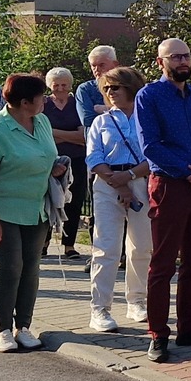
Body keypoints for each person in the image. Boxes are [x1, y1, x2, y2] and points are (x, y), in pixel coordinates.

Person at [135, 37, 191, 364]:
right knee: (162, 264)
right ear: (160, 62)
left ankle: (189, 326)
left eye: (187, 55)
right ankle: (158, 334)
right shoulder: (149, 96)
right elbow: (150, 146)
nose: (183, 61)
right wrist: (189, 172)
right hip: (170, 186)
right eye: (175, 57)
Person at [0, 73, 69, 353]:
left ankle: (23, 327)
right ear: (25, 102)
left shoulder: (42, 122)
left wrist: (53, 168)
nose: (46, 101)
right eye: (42, 97)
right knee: (9, 267)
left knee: (30, 267)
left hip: (34, 207)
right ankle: (2, 329)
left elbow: (41, 155)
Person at [85, 66, 151, 335]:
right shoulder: (101, 122)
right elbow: (93, 157)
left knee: (141, 246)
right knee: (106, 247)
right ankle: (99, 308)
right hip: (107, 183)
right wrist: (118, 181)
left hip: (140, 182)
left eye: (116, 87)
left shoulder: (146, 119)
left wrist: (131, 176)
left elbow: (154, 154)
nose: (110, 93)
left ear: (131, 88)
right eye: (107, 88)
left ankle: (137, 300)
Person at [74, 44, 119, 248]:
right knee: (99, 208)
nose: (96, 69)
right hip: (98, 156)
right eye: (93, 65)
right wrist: (114, 109)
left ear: (115, 64)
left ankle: (124, 253)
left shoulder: (128, 86)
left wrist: (104, 108)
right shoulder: (85, 89)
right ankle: (97, 251)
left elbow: (134, 113)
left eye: (101, 64)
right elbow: (89, 120)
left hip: (127, 157)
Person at [41, 68, 87, 260]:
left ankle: (69, 245)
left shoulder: (78, 104)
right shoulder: (43, 104)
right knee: (46, 200)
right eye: (56, 85)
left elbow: (83, 137)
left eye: (64, 84)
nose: (60, 88)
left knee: (74, 202)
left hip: (77, 160)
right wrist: (70, 136)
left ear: (70, 84)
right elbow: (42, 134)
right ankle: (43, 243)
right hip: (49, 160)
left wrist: (54, 133)